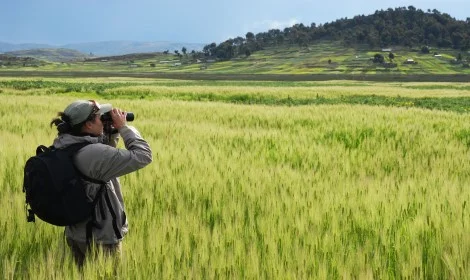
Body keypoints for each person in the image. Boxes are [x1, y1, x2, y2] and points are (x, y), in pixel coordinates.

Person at [50, 99, 152, 267]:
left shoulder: (63, 144)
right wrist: (124, 127)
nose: (103, 119)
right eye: (99, 117)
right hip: (101, 238)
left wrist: (109, 134)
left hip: (76, 233)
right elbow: (143, 155)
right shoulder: (95, 154)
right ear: (88, 125)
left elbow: (98, 165)